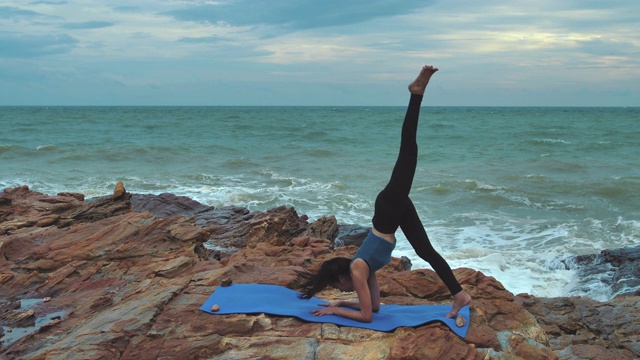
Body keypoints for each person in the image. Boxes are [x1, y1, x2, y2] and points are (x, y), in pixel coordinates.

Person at [296, 65, 472, 324]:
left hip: (388, 210)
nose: (344, 290)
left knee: (408, 150)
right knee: (426, 251)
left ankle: (416, 93)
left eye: (340, 288)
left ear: (342, 278)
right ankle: (459, 294)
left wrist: (335, 310)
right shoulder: (362, 269)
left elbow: (366, 317)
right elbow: (374, 309)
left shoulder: (358, 269)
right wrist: (343, 302)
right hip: (392, 214)